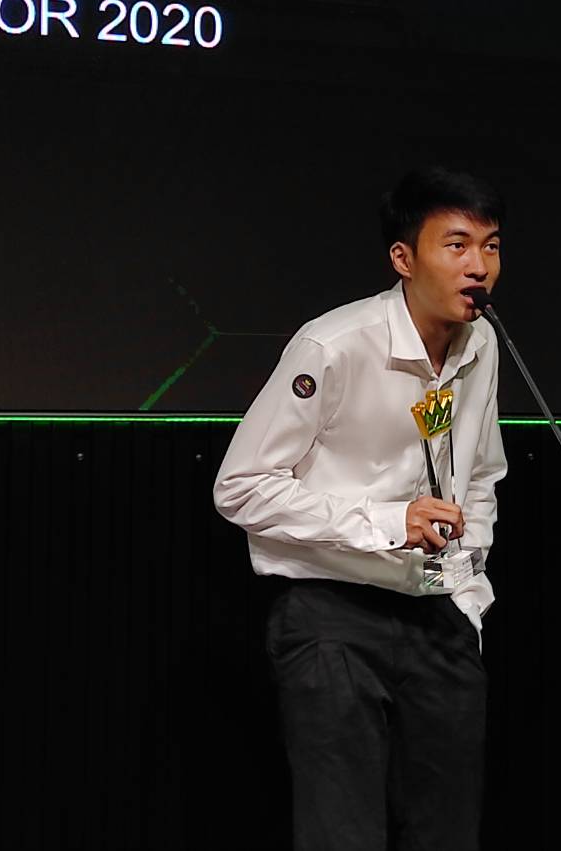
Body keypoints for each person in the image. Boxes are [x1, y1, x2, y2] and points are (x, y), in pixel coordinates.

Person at [213, 166, 507, 851]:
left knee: (448, 832)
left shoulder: (482, 342)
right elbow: (241, 485)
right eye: (457, 245)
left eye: (491, 246)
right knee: (342, 834)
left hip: (437, 613)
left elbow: (481, 472)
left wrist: (467, 592)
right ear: (403, 258)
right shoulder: (334, 344)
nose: (479, 266)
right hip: (332, 614)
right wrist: (387, 522)